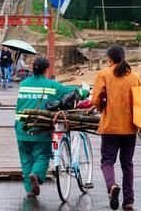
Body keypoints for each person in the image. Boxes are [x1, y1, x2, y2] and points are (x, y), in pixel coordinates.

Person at [15, 57, 88, 197]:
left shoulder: (23, 84)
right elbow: (70, 91)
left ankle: (30, 189)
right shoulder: (50, 85)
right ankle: (36, 175)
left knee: (26, 158)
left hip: (20, 127)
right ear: (46, 70)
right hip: (39, 127)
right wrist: (86, 92)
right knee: (42, 154)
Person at [91, 44, 141, 211]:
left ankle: (111, 186)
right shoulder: (134, 77)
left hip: (110, 126)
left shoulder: (103, 74)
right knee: (127, 163)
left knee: (107, 161)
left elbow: (96, 99)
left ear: (109, 59)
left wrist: (101, 108)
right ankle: (129, 200)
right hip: (130, 127)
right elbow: (140, 101)